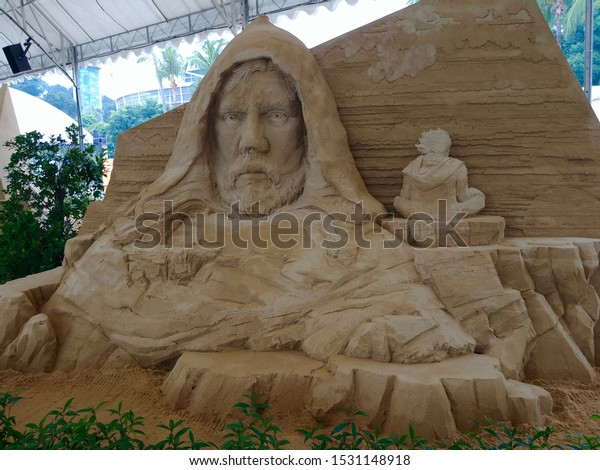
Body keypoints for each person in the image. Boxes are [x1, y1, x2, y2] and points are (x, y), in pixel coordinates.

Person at [393, 129, 485, 219]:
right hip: (448, 212)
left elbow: (405, 197)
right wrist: (475, 193)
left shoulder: (411, 167)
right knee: (479, 199)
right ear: (446, 149)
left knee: (397, 201)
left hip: (415, 211)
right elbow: (462, 197)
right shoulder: (457, 166)